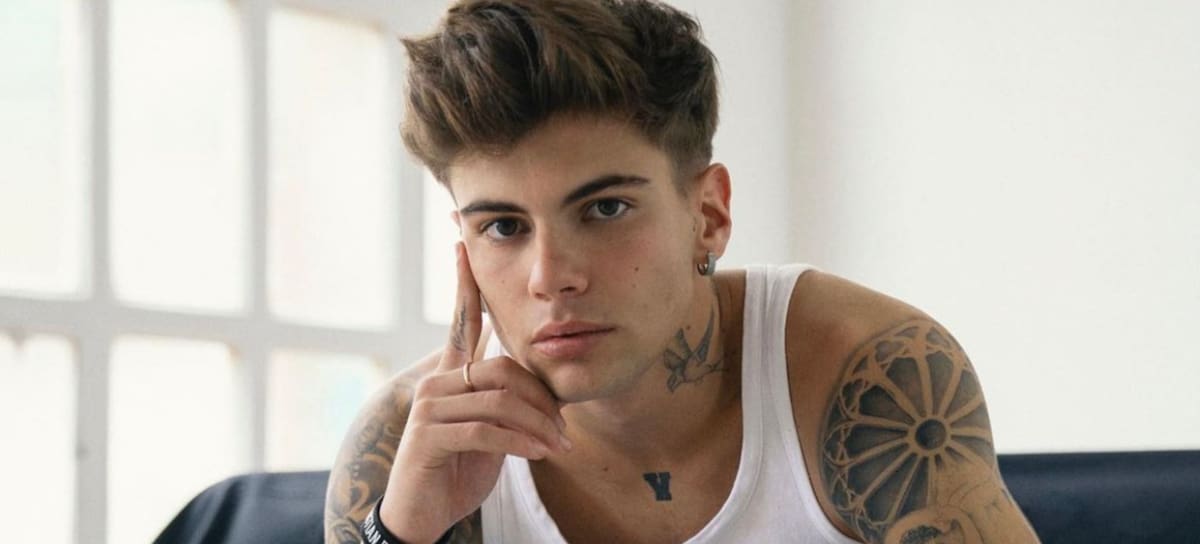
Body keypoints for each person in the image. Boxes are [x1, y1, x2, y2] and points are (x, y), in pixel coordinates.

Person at [324, 1, 1040, 543]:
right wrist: (402, 538)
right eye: (504, 227)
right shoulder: (405, 449)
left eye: (604, 209)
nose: (550, 277)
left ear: (708, 215)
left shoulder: (861, 374)